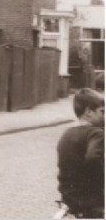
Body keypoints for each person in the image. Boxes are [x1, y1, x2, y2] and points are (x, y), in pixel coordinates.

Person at [57, 88, 104, 218]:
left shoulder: (67, 133)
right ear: (89, 111)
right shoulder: (97, 133)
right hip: (91, 202)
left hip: (69, 200)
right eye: (102, 112)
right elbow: (94, 158)